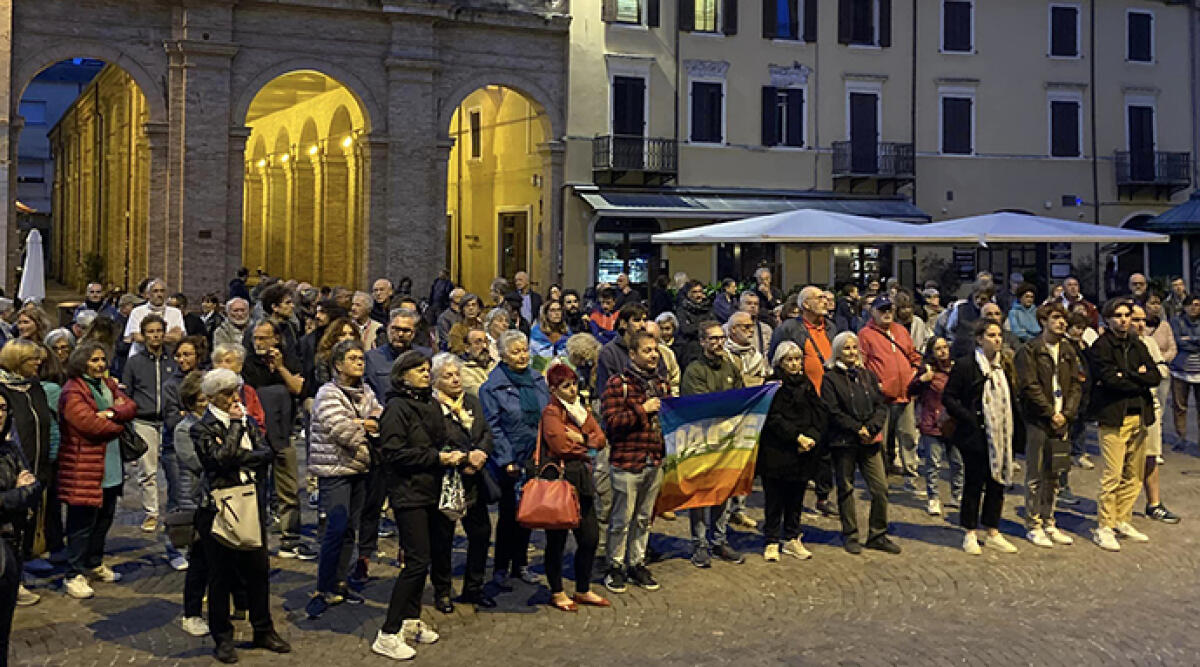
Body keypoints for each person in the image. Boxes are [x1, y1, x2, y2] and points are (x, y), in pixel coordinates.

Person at [190, 368, 291, 663]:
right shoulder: (203, 427)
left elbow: (266, 453)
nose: (234, 397)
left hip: (251, 502)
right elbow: (218, 461)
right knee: (221, 575)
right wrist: (235, 428)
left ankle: (263, 628)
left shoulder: (248, 420)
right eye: (226, 393)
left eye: (235, 390)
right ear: (210, 397)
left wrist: (238, 452)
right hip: (219, 507)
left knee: (258, 571)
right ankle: (222, 637)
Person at [372, 351, 455, 661]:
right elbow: (393, 453)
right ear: (402, 374)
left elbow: (439, 440)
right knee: (416, 560)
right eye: (419, 370)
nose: (425, 374)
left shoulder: (430, 404)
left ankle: (410, 619)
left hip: (432, 489)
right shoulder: (396, 408)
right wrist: (436, 458)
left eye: (426, 369)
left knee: (427, 557)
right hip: (408, 492)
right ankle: (388, 632)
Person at [305, 340, 382, 618]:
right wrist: (366, 426)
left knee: (350, 529)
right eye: (352, 358)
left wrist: (365, 424)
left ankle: (340, 583)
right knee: (334, 530)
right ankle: (322, 587)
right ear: (338, 364)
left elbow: (379, 415)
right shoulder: (328, 394)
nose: (359, 362)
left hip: (359, 469)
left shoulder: (366, 391)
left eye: (361, 358)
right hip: (334, 471)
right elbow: (343, 432)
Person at [57, 342, 137, 599]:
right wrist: (120, 425)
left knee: (104, 519)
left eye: (102, 359)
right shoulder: (73, 391)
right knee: (81, 524)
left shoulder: (109, 384)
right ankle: (74, 573)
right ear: (82, 363)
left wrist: (112, 413)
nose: (100, 364)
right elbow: (89, 424)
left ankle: (94, 562)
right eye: (94, 360)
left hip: (110, 465)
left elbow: (130, 406)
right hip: (84, 467)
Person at [943, 320, 1023, 555]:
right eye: (991, 335)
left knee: (997, 481)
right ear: (980, 339)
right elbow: (949, 397)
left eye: (999, 335)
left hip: (1000, 432)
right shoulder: (967, 366)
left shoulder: (1003, 366)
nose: (997, 339)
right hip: (975, 434)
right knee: (974, 482)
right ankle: (969, 531)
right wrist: (969, 418)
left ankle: (992, 529)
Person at [1087, 298, 1161, 551]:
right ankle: (1105, 526)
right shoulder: (1100, 347)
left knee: (1134, 473)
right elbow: (1110, 380)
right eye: (1118, 315)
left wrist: (1129, 375)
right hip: (1113, 417)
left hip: (1139, 415)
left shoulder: (1137, 344)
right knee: (1113, 474)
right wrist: (1136, 376)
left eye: (1127, 315)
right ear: (1108, 319)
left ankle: (1123, 518)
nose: (1123, 320)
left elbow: (1154, 376)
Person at [479, 330, 549, 586]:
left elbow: (547, 414)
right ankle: (501, 566)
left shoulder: (537, 380)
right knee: (509, 515)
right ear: (504, 355)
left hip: (534, 456)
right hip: (508, 460)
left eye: (524, 350)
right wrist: (507, 459)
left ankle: (520, 563)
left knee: (528, 512)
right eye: (515, 351)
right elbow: (493, 426)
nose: (522, 356)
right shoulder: (492, 387)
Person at [539, 363, 609, 611]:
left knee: (589, 537)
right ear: (554, 388)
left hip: (583, 478)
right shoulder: (551, 412)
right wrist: (587, 444)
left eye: (574, 384)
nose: (572, 390)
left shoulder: (581, 410)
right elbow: (560, 446)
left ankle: (582, 588)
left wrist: (582, 439)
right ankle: (557, 591)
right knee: (556, 540)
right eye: (565, 386)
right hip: (562, 479)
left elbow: (600, 439)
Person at [601, 330, 667, 593]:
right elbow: (612, 423)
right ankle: (615, 565)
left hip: (654, 458)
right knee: (621, 519)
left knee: (643, 518)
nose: (653, 355)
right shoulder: (619, 384)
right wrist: (642, 410)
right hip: (627, 460)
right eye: (647, 350)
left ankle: (636, 562)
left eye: (655, 350)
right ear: (633, 354)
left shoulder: (660, 384)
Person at [821, 331, 898, 555]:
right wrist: (857, 429)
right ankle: (850, 533)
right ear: (837, 351)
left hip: (870, 441)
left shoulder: (868, 375)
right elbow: (832, 411)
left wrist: (871, 428)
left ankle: (877, 534)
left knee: (880, 488)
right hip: (844, 442)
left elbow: (880, 406)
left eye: (854, 348)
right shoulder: (830, 379)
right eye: (846, 348)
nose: (852, 352)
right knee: (846, 488)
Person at [241, 320, 312, 560]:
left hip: (283, 437)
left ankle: (290, 540)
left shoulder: (288, 360)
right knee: (256, 492)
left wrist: (281, 368)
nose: (259, 343)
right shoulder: (247, 364)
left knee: (289, 492)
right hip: (257, 440)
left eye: (264, 338)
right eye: (256, 339)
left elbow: (298, 389)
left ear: (276, 340)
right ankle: (256, 541)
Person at [430, 353, 495, 609]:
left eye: (457, 374)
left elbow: (486, 432)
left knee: (481, 534)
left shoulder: (471, 401)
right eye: (448, 376)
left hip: (474, 479)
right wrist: (465, 458)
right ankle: (442, 591)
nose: (455, 379)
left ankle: (474, 587)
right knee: (443, 538)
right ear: (436, 381)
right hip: (446, 480)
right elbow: (436, 441)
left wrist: (481, 453)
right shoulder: (432, 407)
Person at [1014, 303, 1082, 548]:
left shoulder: (1068, 350)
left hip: (1062, 420)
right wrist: (1049, 412)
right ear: (1043, 321)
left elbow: (1076, 383)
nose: (1061, 323)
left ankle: (1049, 520)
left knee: (1055, 472)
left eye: (1064, 318)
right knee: (1035, 473)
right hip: (1038, 420)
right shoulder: (1030, 350)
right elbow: (1029, 385)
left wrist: (1067, 413)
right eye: (1055, 318)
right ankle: (1033, 523)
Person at [767, 286, 838, 517]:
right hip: (799, 399)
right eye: (819, 298)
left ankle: (823, 495)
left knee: (825, 450)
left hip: (826, 398)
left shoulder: (831, 328)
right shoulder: (789, 328)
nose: (825, 301)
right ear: (805, 304)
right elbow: (775, 359)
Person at [681, 321, 746, 567]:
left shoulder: (730, 367)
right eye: (713, 339)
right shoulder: (694, 370)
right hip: (700, 442)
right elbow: (701, 405)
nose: (718, 343)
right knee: (700, 496)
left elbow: (740, 398)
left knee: (723, 491)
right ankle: (699, 544)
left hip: (727, 443)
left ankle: (719, 539)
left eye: (721, 338)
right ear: (703, 342)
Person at [758, 341, 828, 562]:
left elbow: (818, 413)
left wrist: (812, 437)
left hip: (802, 452)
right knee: (774, 499)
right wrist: (796, 437)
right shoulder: (773, 385)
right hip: (777, 451)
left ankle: (791, 537)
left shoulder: (806, 384)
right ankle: (771, 539)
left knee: (796, 498)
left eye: (798, 359)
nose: (795, 364)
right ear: (780, 362)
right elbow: (773, 418)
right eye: (790, 360)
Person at [121, 314, 178, 533]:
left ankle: (175, 509)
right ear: (143, 336)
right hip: (144, 420)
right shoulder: (134, 362)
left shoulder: (173, 360)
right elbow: (127, 391)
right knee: (148, 470)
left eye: (158, 331)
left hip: (170, 421)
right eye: (150, 332)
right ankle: (151, 512)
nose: (155, 336)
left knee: (174, 468)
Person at [857, 295, 922, 487]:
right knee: (882, 438)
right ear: (873, 312)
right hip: (881, 397)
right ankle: (880, 473)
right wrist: (872, 385)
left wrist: (915, 371)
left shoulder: (901, 330)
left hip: (906, 392)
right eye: (882, 310)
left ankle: (911, 472)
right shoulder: (865, 334)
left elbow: (913, 354)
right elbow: (863, 363)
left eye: (889, 310)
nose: (886, 314)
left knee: (908, 434)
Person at [173, 370, 218, 637]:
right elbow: (199, 464)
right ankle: (191, 613)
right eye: (202, 399)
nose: (207, 403)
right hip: (198, 499)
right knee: (199, 559)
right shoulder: (184, 429)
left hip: (221, 498)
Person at [0, 391, 43, 658]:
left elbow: (35, 486)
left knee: (3, 631)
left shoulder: (10, 449)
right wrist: (19, 494)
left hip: (11, 547)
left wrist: (22, 493)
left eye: (3, 408)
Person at [1130, 305, 1181, 524]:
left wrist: (1145, 373)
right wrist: (1140, 373)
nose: (1140, 324)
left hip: (1151, 406)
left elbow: (1159, 372)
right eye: (1135, 319)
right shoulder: (1117, 345)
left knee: (1151, 457)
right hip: (1127, 409)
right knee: (1126, 461)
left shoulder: (1149, 343)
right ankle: (1120, 510)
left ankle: (1154, 504)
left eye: (1143, 320)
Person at [910, 336, 963, 515]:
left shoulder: (956, 369)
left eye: (945, 347)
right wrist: (922, 380)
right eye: (938, 348)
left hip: (954, 424)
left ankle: (958, 495)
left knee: (957, 462)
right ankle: (933, 498)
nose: (943, 351)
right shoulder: (927, 369)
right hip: (931, 422)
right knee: (933, 463)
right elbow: (911, 390)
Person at [1169, 294, 1200, 450]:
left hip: (1199, 370)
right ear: (1185, 306)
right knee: (1180, 406)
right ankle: (1180, 437)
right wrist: (1194, 341)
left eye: (1197, 305)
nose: (1195, 308)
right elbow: (1177, 341)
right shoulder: (1176, 321)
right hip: (1180, 369)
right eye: (1192, 305)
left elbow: (1186, 341)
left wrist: (1190, 339)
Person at [123, 279, 186, 355]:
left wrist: (148, 336)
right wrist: (167, 336)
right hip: (140, 355)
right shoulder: (137, 312)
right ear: (148, 294)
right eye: (155, 291)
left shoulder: (175, 312)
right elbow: (137, 337)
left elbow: (177, 337)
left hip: (167, 356)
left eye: (162, 291)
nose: (159, 294)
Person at [725, 311, 768, 387]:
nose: (752, 330)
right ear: (733, 329)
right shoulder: (724, 354)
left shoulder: (757, 356)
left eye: (752, 326)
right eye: (746, 327)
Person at [529, 299, 569, 367]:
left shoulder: (567, 331)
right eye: (552, 310)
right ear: (546, 313)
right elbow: (534, 357)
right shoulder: (537, 332)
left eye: (559, 310)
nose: (557, 313)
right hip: (540, 369)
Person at [674, 280, 712, 349]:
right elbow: (686, 329)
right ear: (688, 294)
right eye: (694, 292)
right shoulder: (682, 309)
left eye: (700, 291)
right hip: (687, 345)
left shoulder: (708, 307)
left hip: (706, 344)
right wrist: (704, 325)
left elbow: (714, 326)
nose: (698, 295)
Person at [458, 328, 494, 398]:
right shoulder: (464, 371)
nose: (484, 346)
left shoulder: (497, 365)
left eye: (486, 342)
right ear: (467, 348)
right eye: (478, 343)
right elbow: (482, 394)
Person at [739, 290, 774, 357]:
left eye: (756, 304)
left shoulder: (766, 329)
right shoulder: (729, 328)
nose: (753, 306)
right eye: (748, 303)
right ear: (740, 306)